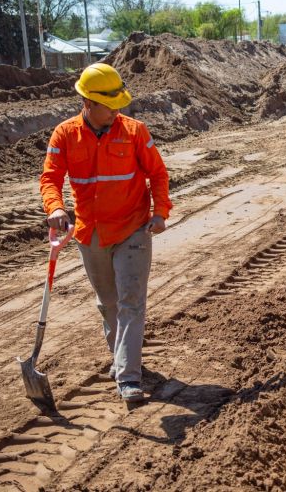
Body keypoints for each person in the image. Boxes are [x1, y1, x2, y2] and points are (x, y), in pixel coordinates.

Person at [40, 63, 172, 402]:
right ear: (88, 102)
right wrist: (55, 208)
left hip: (133, 229)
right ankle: (121, 356)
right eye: (108, 105)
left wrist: (160, 213)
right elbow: (50, 178)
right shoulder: (65, 134)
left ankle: (128, 377)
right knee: (108, 303)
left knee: (131, 302)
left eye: (118, 104)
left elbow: (158, 174)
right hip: (91, 233)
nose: (116, 111)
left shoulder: (135, 131)